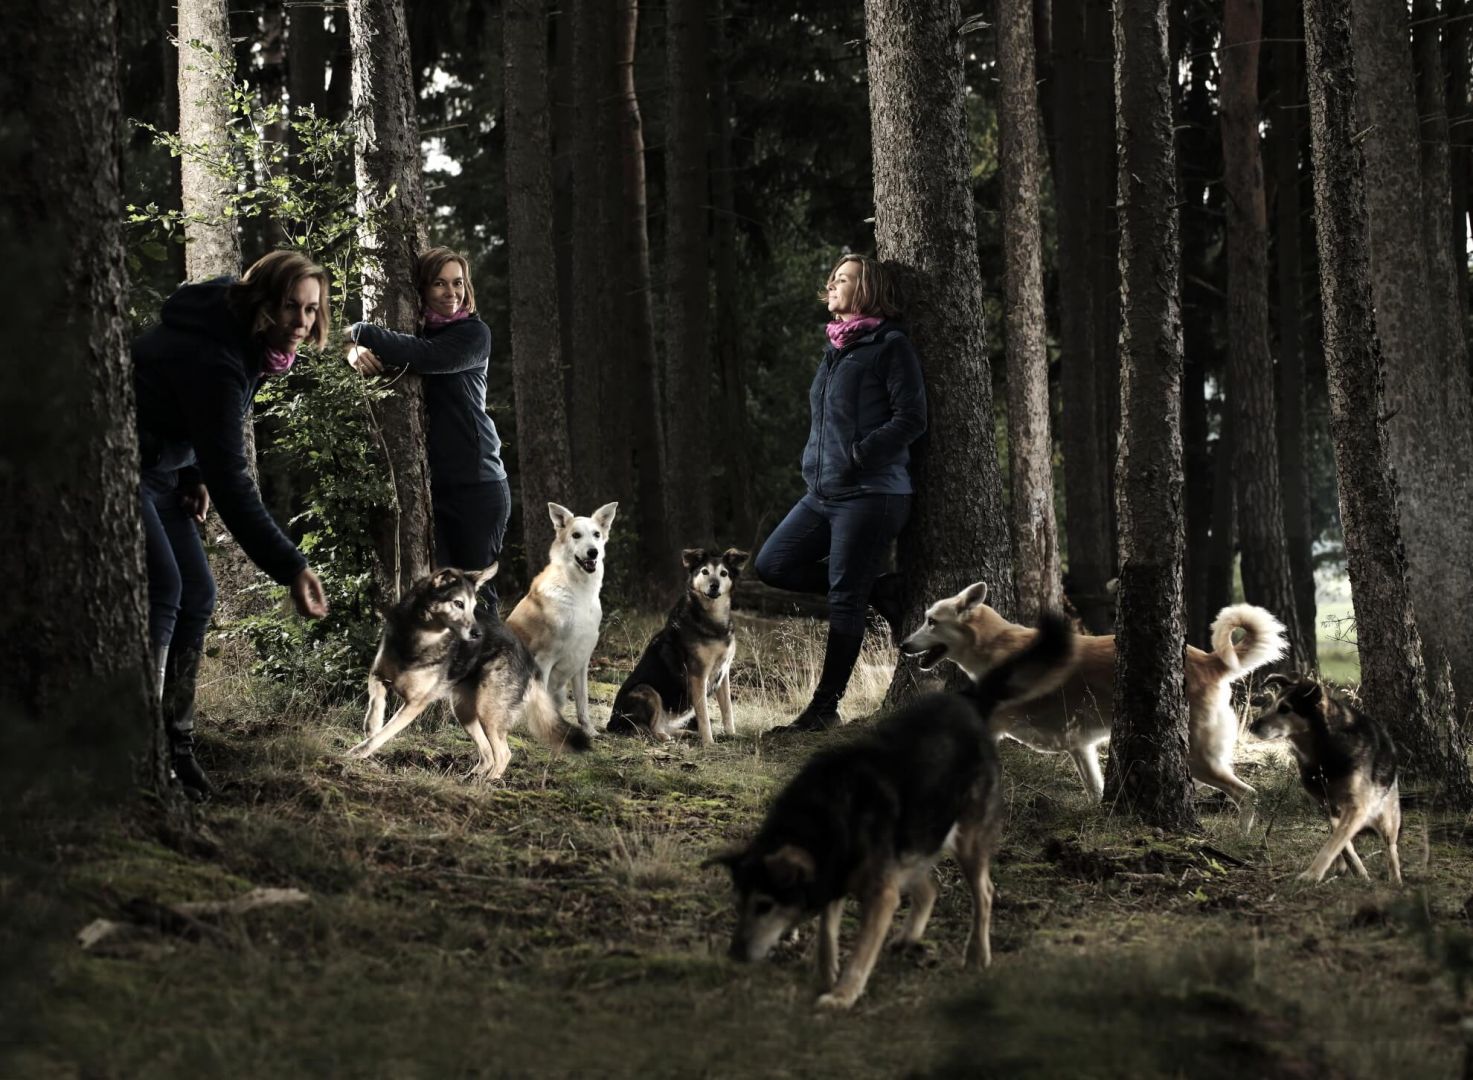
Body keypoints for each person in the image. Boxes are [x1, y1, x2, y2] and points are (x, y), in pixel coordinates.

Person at [134, 250, 331, 799]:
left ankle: (177, 745)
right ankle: (137, 742)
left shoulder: (247, 345)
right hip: (122, 466)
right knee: (167, 587)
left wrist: (190, 471)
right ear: (262, 303)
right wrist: (291, 565)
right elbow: (232, 478)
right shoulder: (218, 356)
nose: (301, 322)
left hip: (166, 471)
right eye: (290, 307)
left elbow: (196, 424)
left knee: (198, 591)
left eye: (312, 310)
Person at [755, 254, 926, 735]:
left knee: (844, 598)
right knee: (773, 564)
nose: (831, 285)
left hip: (873, 493)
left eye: (843, 279)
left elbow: (911, 418)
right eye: (831, 278)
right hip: (823, 492)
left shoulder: (889, 345)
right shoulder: (836, 349)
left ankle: (823, 708)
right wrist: (815, 461)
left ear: (866, 289)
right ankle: (883, 589)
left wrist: (859, 454)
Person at [345, 247, 510, 613]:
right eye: (439, 283)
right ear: (421, 289)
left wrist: (359, 332)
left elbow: (425, 356)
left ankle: (498, 671)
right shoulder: (415, 333)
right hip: (435, 485)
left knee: (477, 597)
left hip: (477, 484)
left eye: (458, 283)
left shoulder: (473, 334)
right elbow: (405, 347)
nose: (451, 292)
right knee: (444, 600)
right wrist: (352, 349)